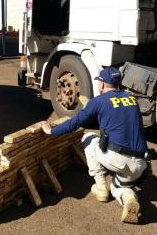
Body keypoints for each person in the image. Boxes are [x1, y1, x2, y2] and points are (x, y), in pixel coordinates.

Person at [40, 67, 148, 224]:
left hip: (117, 158)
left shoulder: (98, 101)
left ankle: (101, 187)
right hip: (140, 163)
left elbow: (75, 123)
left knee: (89, 137)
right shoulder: (132, 99)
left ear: (103, 85)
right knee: (119, 187)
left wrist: (52, 131)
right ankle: (129, 198)